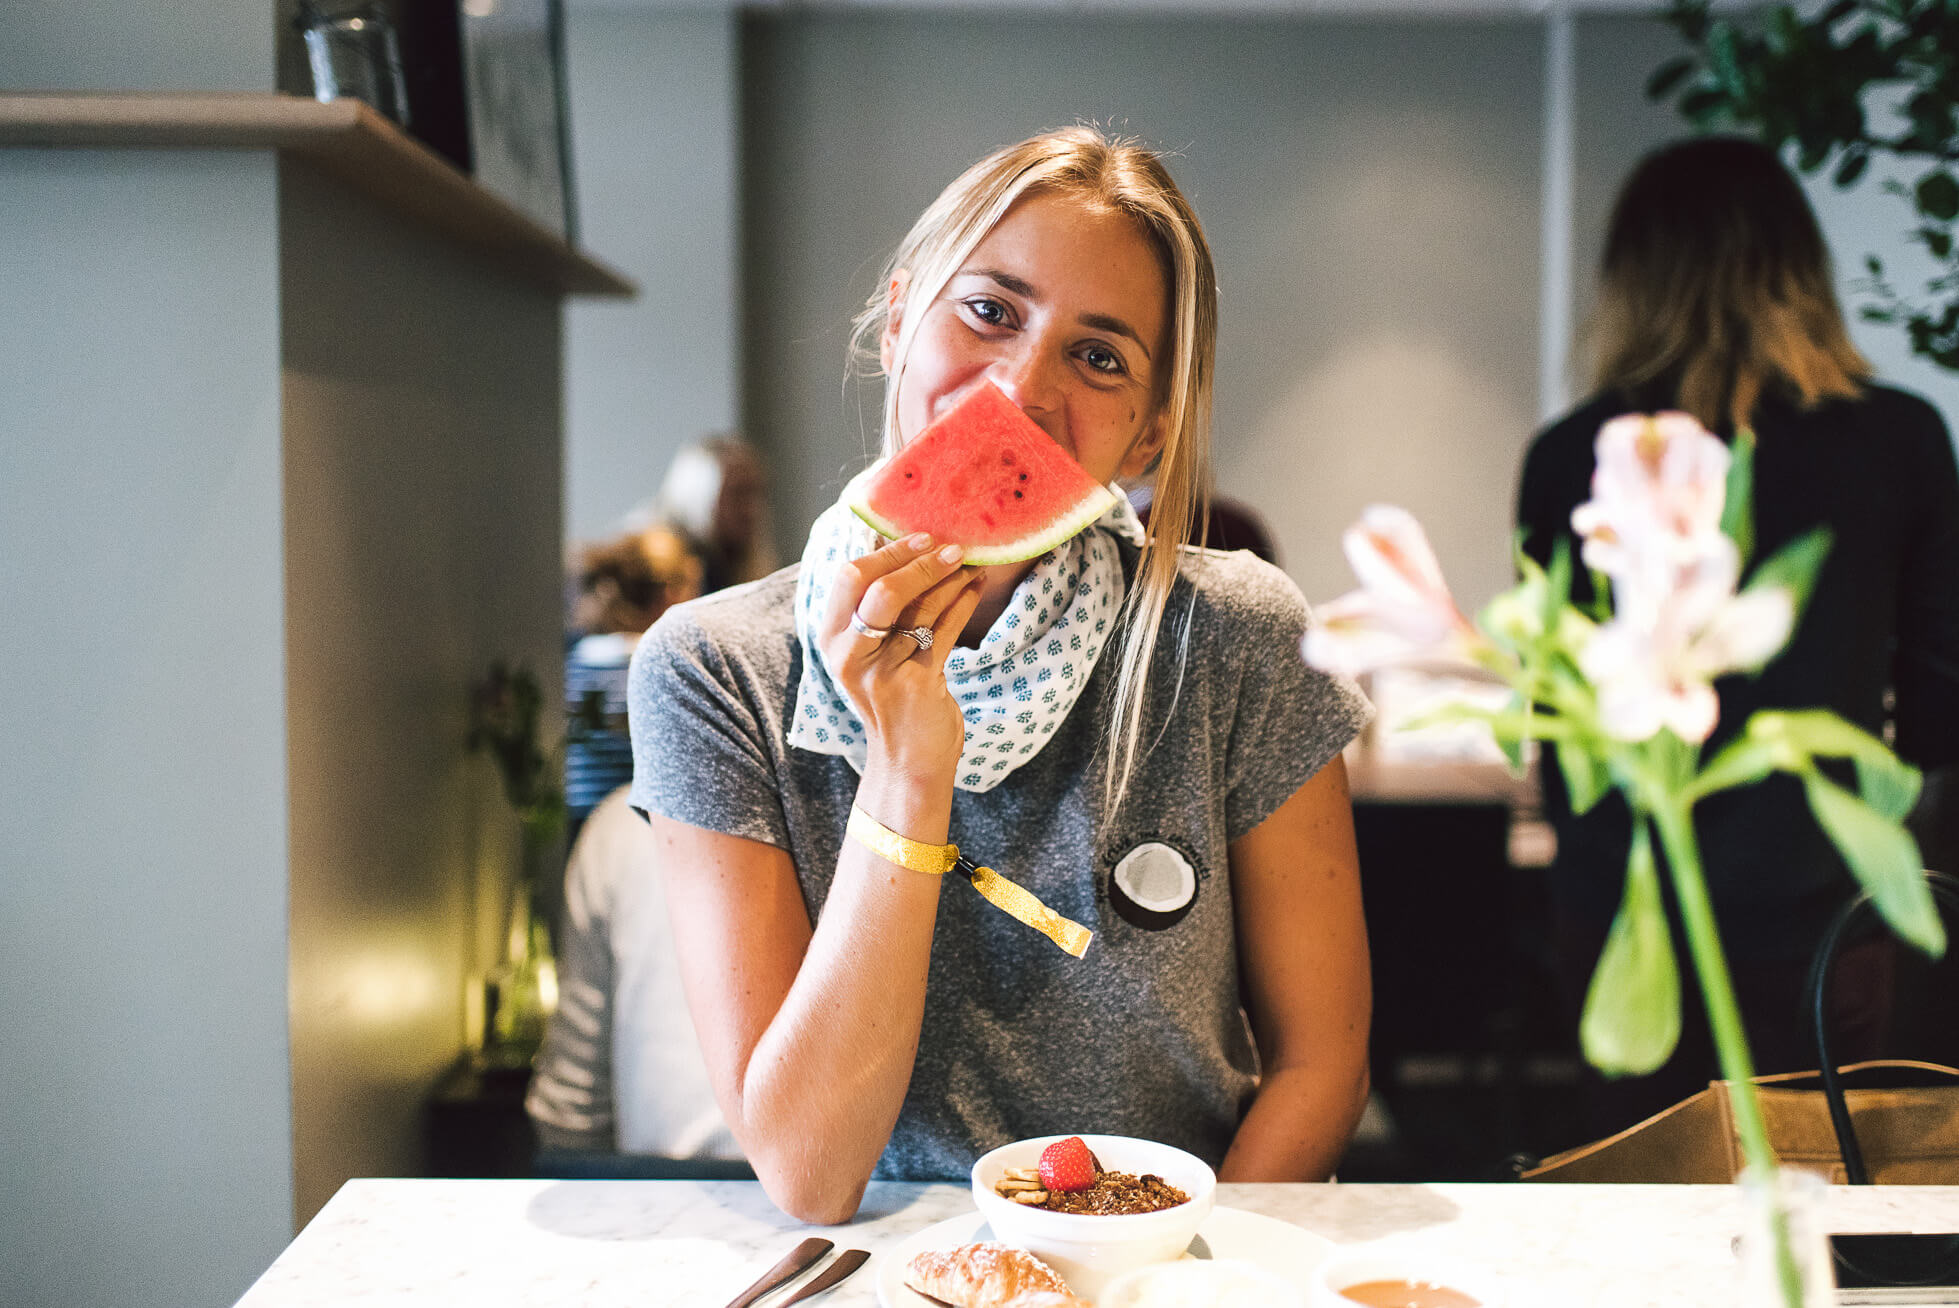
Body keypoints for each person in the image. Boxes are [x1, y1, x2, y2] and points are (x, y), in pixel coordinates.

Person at [627, 126, 1374, 1222]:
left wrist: (1189, 1280)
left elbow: (1324, 1068)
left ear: (1148, 438)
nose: (1022, 390)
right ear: (897, 321)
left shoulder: (1234, 639)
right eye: (989, 310)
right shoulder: (713, 672)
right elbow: (809, 1171)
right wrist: (905, 771)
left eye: (1100, 355)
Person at [1517, 136, 1959, 1136]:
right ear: (1803, 268)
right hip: (1823, 909)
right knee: (1811, 1194)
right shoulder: (1900, 440)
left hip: (1626, 903)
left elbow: (1559, 722)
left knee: (1634, 1190)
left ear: (1630, 281)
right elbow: (1941, 709)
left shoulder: (1572, 456)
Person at [525, 786, 745, 1164]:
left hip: (658, 1191)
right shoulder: (619, 825)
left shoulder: (618, 824)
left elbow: (573, 1107)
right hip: (658, 1194)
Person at [562, 526, 701, 844]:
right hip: (639, 841)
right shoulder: (665, 668)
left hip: (576, 838)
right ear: (672, 594)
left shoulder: (575, 661)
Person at [633, 435, 776, 596]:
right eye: (737, 493)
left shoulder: (739, 561)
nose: (752, 509)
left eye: (757, 493)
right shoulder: (648, 561)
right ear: (698, 495)